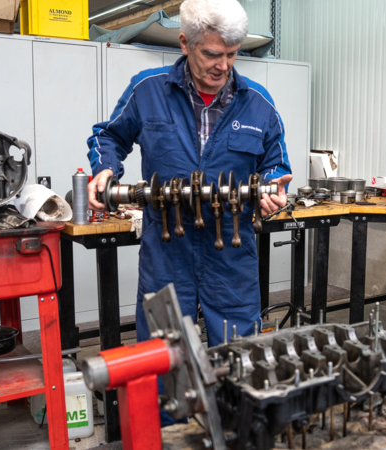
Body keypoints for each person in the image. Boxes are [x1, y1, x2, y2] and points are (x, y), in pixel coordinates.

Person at [86, 0, 292, 349]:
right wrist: (105, 168)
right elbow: (108, 135)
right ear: (185, 43)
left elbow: (277, 163)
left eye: (231, 54)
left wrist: (273, 188)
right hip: (166, 252)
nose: (223, 65)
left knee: (239, 359)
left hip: (231, 254)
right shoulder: (147, 90)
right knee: (162, 357)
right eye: (212, 54)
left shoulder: (259, 102)